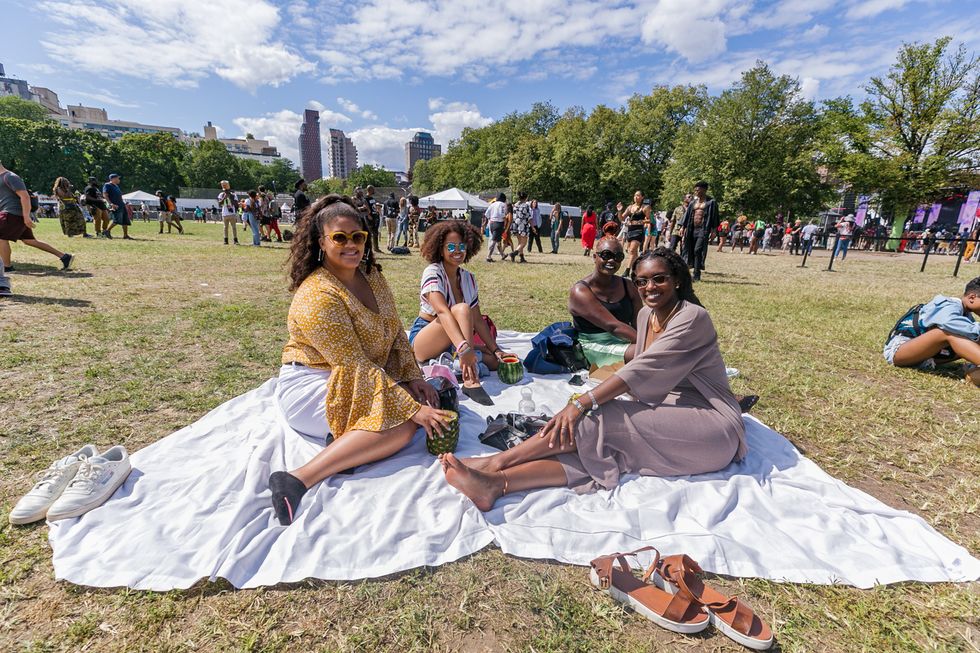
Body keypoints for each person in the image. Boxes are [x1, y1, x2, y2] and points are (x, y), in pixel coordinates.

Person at [439, 247, 747, 511]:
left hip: (712, 428)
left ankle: (497, 463)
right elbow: (640, 368)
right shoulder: (645, 316)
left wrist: (581, 401)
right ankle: (497, 484)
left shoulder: (691, 316)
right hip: (672, 414)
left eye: (659, 279)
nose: (649, 287)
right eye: (641, 281)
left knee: (592, 418)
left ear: (677, 279)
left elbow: (645, 368)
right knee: (598, 446)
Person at [267, 194, 450, 525]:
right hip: (312, 384)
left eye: (358, 237)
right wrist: (411, 407)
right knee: (404, 424)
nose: (351, 245)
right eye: (340, 237)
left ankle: (346, 443)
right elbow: (353, 365)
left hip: (360, 374)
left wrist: (413, 378)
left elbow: (395, 332)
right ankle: (297, 478)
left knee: (412, 407)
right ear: (321, 242)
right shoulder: (317, 295)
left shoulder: (372, 275)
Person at [410, 221, 513, 398]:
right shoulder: (432, 272)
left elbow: (478, 320)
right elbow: (443, 312)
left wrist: (496, 350)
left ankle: (459, 361)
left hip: (453, 340)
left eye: (462, 246)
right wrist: (465, 349)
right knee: (462, 309)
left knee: (496, 363)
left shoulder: (468, 278)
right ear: (439, 248)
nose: (457, 251)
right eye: (451, 246)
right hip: (425, 338)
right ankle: (469, 379)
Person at [883, 277, 980, 385]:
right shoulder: (949, 305)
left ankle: (974, 371)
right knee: (945, 332)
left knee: (974, 338)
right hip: (899, 351)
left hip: (927, 356)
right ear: (972, 297)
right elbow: (948, 322)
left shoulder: (966, 315)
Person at [569, 237, 642, 367]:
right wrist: (648, 343)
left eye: (618, 256)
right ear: (595, 257)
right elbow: (613, 326)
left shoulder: (628, 286)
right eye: (606, 255)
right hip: (595, 345)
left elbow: (639, 322)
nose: (612, 260)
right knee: (646, 353)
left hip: (626, 339)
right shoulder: (580, 291)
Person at [0, 160, 74, 273]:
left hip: (13, 213)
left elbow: (25, 197)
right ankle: (65, 257)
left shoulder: (10, 176)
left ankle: (7, 267)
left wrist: (26, 216)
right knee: (29, 240)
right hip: (12, 213)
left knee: (1, 238)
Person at [680, 181, 719, 281]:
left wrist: (714, 230)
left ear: (704, 190)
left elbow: (715, 217)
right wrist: (682, 227)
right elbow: (687, 215)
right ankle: (691, 272)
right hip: (691, 229)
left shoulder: (711, 202)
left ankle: (697, 274)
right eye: (695, 189)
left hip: (703, 229)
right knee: (690, 249)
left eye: (698, 189)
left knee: (698, 250)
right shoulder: (693, 202)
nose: (696, 191)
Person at [618, 192, 649, 270]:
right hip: (630, 231)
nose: (636, 197)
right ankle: (639, 268)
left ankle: (627, 270)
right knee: (633, 253)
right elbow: (621, 218)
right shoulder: (630, 207)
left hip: (639, 231)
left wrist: (639, 222)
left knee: (632, 250)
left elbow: (649, 220)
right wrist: (619, 211)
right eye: (635, 195)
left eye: (638, 195)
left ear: (642, 197)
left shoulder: (645, 207)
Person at [103, 173, 133, 239]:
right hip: (115, 205)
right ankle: (107, 231)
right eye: (117, 178)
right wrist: (111, 204)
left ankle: (125, 235)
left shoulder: (116, 186)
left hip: (121, 204)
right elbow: (105, 195)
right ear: (113, 179)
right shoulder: (107, 185)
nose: (119, 179)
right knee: (116, 220)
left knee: (125, 220)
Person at [508, 191, 532, 262]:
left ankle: (521, 257)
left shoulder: (515, 205)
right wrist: (533, 227)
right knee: (523, 243)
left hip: (515, 224)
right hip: (523, 225)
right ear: (526, 198)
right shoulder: (526, 205)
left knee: (519, 242)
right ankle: (514, 253)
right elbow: (528, 217)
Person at [484, 193, 507, 262]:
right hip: (499, 223)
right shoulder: (503, 205)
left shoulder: (492, 204)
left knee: (498, 240)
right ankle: (488, 257)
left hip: (492, 223)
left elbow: (486, 214)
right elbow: (502, 214)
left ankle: (503, 255)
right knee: (494, 241)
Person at [218, 180, 239, 245]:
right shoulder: (221, 194)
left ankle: (235, 240)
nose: (225, 191)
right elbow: (219, 204)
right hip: (224, 213)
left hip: (232, 213)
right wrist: (224, 197)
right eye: (224, 190)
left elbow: (236, 204)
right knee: (225, 227)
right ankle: (225, 240)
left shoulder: (233, 194)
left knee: (234, 227)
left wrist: (230, 197)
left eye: (226, 190)